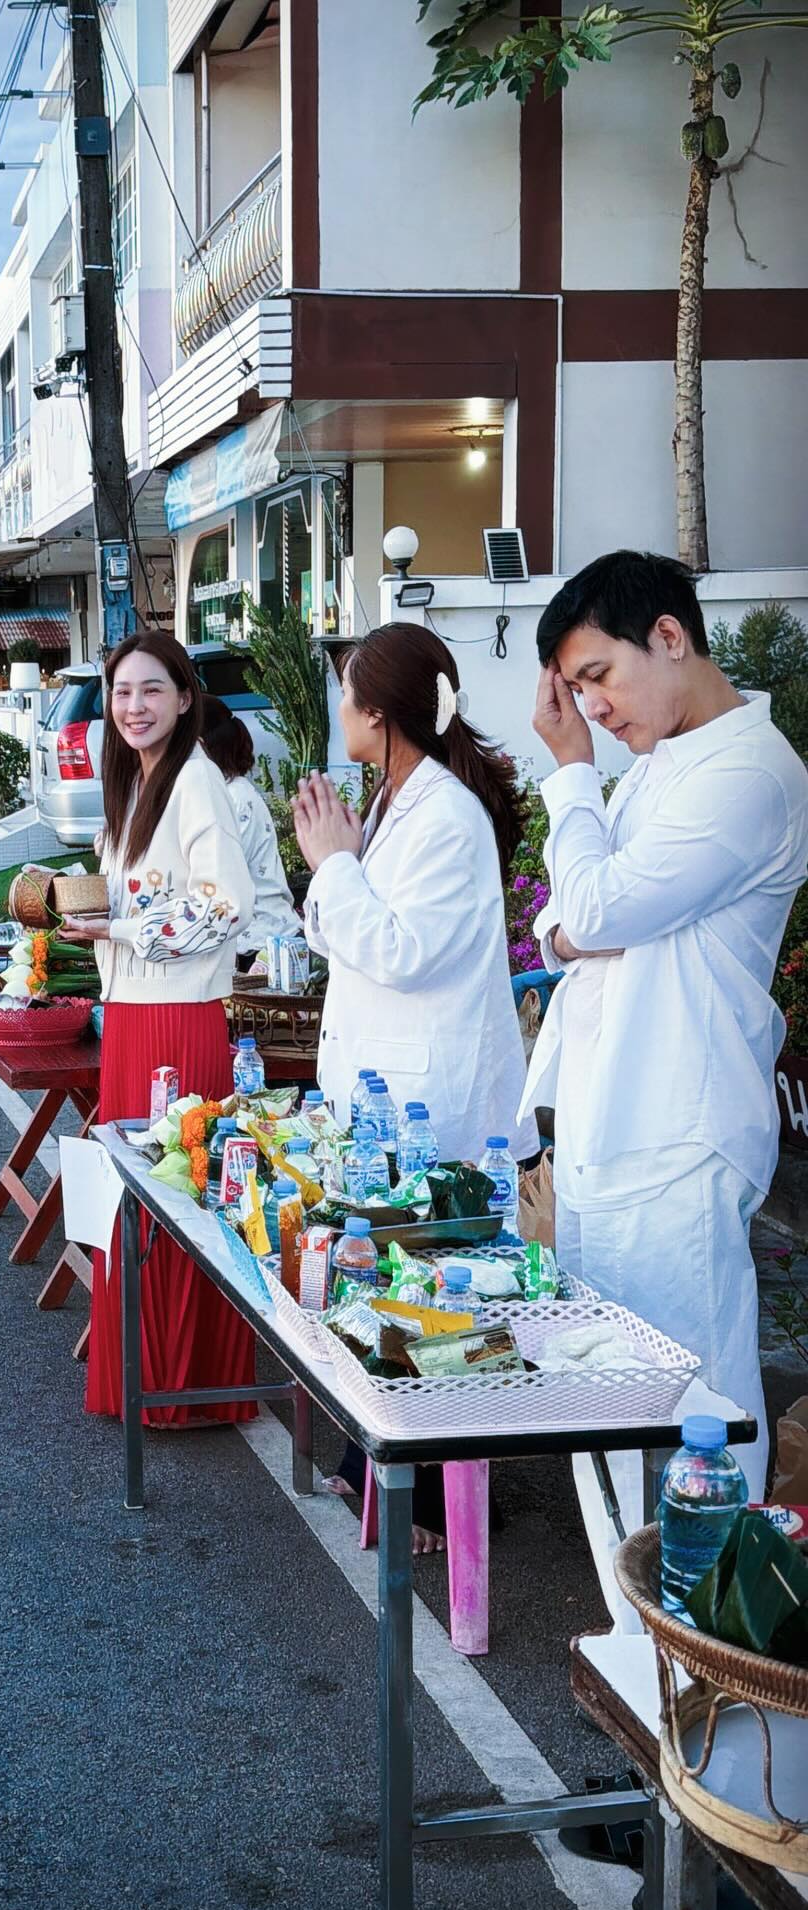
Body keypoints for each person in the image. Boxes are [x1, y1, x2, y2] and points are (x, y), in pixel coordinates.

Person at [524, 551, 808, 1623]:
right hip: (615, 1119)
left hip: (679, 1134)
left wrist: (568, 774)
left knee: (696, 1423)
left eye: (601, 675)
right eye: (577, 689)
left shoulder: (749, 773)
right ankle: (648, 1658)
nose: (592, 707)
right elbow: (571, 922)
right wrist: (578, 917)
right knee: (614, 1402)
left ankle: (709, 1667)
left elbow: (591, 915)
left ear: (673, 638)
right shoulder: (662, 763)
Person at [293, 622, 535, 1553]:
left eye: (346, 693)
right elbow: (338, 929)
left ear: (381, 713)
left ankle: (434, 1495)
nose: (336, 709)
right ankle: (390, 1463)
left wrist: (334, 865)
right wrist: (340, 864)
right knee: (394, 1274)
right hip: (388, 1082)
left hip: (431, 1092)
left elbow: (400, 949)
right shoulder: (396, 797)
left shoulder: (444, 814)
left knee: (432, 1277)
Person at [60, 633, 259, 1428]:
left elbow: (226, 904)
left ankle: (187, 1388)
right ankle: (148, 1380)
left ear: (185, 698)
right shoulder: (139, 783)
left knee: (176, 1197)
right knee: (134, 1201)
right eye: (121, 693)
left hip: (178, 1022)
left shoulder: (197, 782)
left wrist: (123, 931)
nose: (134, 707)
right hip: (135, 1020)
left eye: (151, 691)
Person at [199, 695, 299, 966]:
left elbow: (215, 872)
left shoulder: (235, 798)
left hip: (260, 943)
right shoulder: (221, 794)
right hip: (241, 938)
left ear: (202, 747)